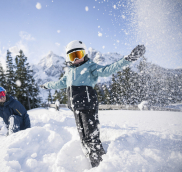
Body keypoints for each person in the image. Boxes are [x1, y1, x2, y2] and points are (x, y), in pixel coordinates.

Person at [40, 40, 146, 168]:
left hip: (88, 105)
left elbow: (107, 70)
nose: (76, 60)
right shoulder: (69, 72)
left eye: (78, 55)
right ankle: (88, 159)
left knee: (91, 137)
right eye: (72, 57)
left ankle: (100, 165)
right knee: (83, 136)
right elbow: (59, 83)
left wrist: (128, 59)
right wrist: (46, 85)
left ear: (84, 54)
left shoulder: (90, 66)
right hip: (76, 109)